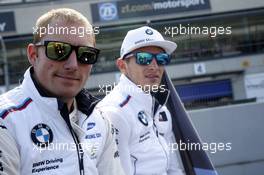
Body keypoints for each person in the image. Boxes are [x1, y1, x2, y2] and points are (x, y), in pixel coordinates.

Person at [0, 8, 124, 175]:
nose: (73, 65)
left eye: (85, 55)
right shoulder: (6, 121)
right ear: (33, 54)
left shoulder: (99, 120)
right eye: (59, 50)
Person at [96, 26, 185, 174]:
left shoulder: (161, 109)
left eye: (162, 59)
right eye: (144, 58)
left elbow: (173, 169)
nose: (154, 66)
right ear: (122, 66)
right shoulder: (113, 113)